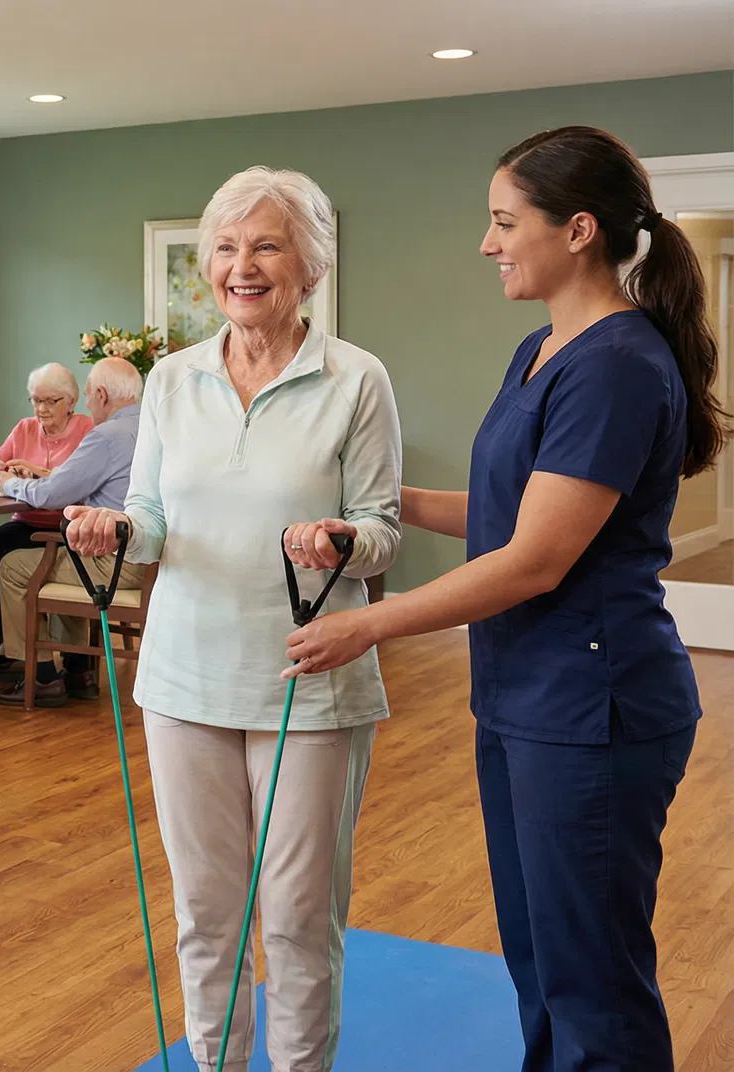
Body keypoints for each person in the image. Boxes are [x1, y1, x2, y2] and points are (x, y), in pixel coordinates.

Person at [283, 127, 721, 1071]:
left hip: (593, 706)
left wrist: (368, 621)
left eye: (502, 221)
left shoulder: (614, 364)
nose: (487, 243)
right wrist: (367, 501)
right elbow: (500, 506)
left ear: (578, 230)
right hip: (525, 699)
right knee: (539, 956)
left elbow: (533, 559)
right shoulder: (542, 348)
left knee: (592, 974)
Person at [67, 166, 402, 1071]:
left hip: (310, 680)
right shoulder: (169, 382)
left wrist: (342, 541)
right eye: (225, 247)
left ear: (310, 266)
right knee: (204, 915)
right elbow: (151, 524)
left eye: (266, 244)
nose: (241, 265)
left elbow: (383, 531)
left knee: (296, 920)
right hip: (182, 681)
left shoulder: (356, 380)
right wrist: (115, 528)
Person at [0, 358, 145, 706]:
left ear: (101, 394)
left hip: (114, 565)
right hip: (148, 560)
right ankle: (79, 672)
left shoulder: (105, 436)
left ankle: (41, 677)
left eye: (88, 396)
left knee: (12, 566)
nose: (88, 404)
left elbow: (49, 495)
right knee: (68, 549)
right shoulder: (153, 427)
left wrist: (9, 482)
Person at [0, 362, 97, 669]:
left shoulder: (86, 429)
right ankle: (5, 637)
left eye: (50, 401)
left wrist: (37, 475)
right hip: (28, 523)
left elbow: (77, 482)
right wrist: (0, 470)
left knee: (33, 564)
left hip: (69, 525)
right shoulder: (24, 428)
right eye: (35, 400)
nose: (41, 408)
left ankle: (73, 660)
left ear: (71, 401)